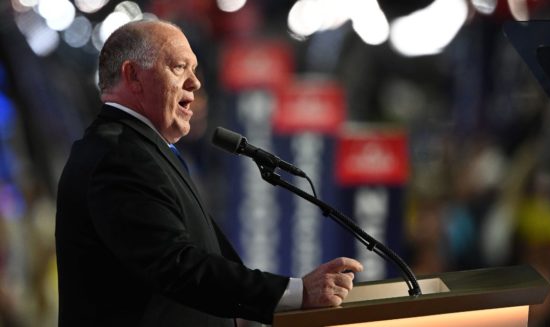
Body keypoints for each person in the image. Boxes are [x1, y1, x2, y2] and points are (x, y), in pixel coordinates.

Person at [55, 19, 363, 327]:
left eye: (195, 68)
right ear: (133, 76)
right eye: (179, 67)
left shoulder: (139, 149)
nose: (195, 82)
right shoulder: (119, 154)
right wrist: (295, 292)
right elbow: (177, 267)